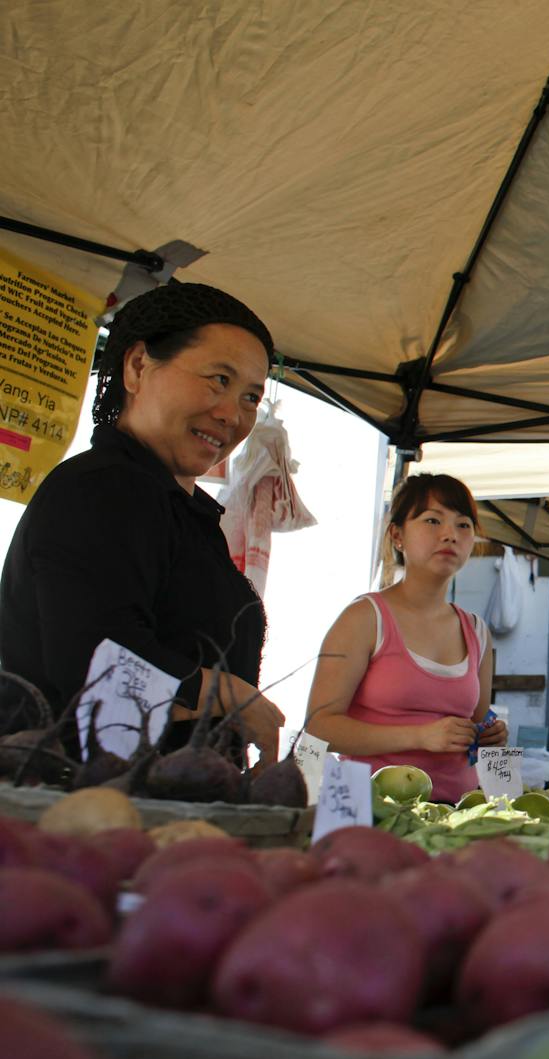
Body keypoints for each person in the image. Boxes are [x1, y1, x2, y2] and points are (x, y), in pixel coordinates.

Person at [0, 282, 286, 758]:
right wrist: (232, 695)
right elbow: (97, 664)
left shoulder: (177, 507)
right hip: (81, 802)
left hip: (167, 800)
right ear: (137, 366)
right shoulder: (102, 488)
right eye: (219, 379)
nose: (231, 414)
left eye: (251, 397)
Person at [305, 473, 509, 803]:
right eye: (432, 520)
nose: (449, 535)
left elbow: (476, 724)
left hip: (456, 813)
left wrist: (489, 734)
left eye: (463, 525)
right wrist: (420, 736)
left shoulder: (477, 631)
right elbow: (319, 729)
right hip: (372, 810)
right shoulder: (364, 618)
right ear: (397, 535)